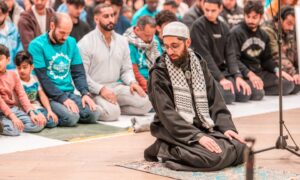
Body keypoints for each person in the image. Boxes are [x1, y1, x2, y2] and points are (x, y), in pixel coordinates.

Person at [144, 22, 246, 171]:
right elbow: (167, 114)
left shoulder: (198, 63)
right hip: (173, 129)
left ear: (188, 42)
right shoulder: (159, 72)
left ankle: (183, 150)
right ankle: (165, 148)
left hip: (201, 125)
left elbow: (215, 99)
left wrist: (226, 127)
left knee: (241, 148)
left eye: (175, 45)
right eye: (166, 46)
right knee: (214, 157)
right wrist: (197, 136)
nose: (170, 51)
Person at [78, 4, 152, 121]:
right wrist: (101, 89)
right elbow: (82, 75)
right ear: (96, 19)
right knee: (112, 114)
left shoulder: (122, 41)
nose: (111, 19)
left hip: (116, 87)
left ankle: (115, 108)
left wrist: (132, 82)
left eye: (112, 15)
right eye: (106, 16)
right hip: (95, 90)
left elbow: (126, 70)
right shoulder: (85, 43)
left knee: (146, 102)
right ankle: (102, 108)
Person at [28, 13, 100, 127]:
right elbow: (42, 78)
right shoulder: (36, 45)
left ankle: (66, 113)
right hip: (48, 96)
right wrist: (62, 99)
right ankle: (50, 115)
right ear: (52, 26)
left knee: (94, 113)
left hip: (68, 93)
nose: (65, 37)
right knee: (71, 118)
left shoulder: (71, 42)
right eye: (62, 32)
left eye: (68, 33)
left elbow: (78, 72)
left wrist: (85, 93)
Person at [190, 0, 258, 104]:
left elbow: (230, 54)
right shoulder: (197, 26)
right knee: (228, 97)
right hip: (204, 73)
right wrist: (221, 79)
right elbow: (205, 56)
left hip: (221, 71)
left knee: (245, 94)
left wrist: (237, 76)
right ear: (203, 6)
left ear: (220, 9)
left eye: (213, 10)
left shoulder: (224, 27)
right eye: (206, 10)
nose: (209, 13)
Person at [229, 0, 296, 96]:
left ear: (261, 17)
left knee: (290, 84)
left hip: (259, 72)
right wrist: (250, 74)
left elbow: (267, 59)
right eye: (248, 17)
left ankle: (259, 87)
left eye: (254, 17)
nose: (250, 20)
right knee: (257, 93)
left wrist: (277, 71)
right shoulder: (235, 32)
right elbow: (234, 60)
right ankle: (257, 89)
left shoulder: (263, 35)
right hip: (245, 74)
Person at [0, 44, 46, 136]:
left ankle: (12, 124)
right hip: (1, 111)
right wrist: (12, 117)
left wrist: (31, 112)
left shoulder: (13, 75)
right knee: (14, 131)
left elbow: (22, 95)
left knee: (38, 124)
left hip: (13, 109)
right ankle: (9, 124)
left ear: (8, 60)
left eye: (0, 59)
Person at [15, 51, 59, 128]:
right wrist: (35, 112)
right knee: (37, 124)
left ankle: (41, 121)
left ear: (32, 67)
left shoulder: (34, 78)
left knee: (52, 121)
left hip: (38, 108)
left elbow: (42, 96)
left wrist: (49, 110)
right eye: (19, 68)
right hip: (26, 110)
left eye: (24, 67)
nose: (21, 70)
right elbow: (21, 102)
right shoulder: (17, 80)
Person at [262, 6, 300, 93]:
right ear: (280, 19)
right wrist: (293, 73)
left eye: (293, 25)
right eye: (289, 23)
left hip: (284, 68)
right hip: (269, 69)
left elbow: (294, 53)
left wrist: (297, 72)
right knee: (288, 85)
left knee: (296, 84)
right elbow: (276, 55)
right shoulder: (268, 30)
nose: (291, 28)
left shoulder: (289, 31)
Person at [124, 16, 162, 92]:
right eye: (147, 35)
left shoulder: (154, 40)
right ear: (137, 30)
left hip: (155, 79)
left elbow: (160, 63)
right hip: (138, 83)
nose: (150, 39)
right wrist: (150, 89)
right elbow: (133, 72)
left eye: (152, 35)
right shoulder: (127, 43)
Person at [0, 1, 23, 69]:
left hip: (14, 70)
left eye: (0, 14)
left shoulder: (14, 30)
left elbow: (20, 49)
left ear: (6, 14)